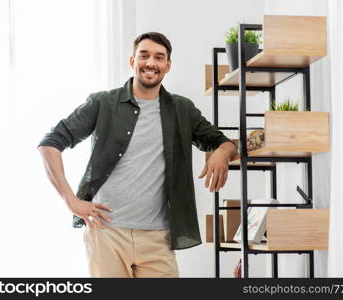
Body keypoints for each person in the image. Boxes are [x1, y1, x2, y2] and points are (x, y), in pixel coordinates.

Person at [37, 32, 238, 278]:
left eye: (159, 57)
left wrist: (221, 154)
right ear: (132, 62)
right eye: (144, 56)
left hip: (158, 239)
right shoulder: (103, 103)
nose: (151, 63)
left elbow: (225, 144)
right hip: (107, 234)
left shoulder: (181, 109)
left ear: (168, 65)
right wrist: (70, 201)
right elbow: (50, 144)